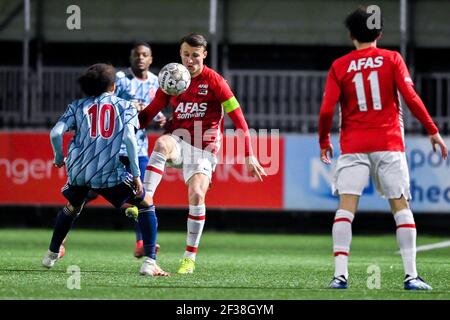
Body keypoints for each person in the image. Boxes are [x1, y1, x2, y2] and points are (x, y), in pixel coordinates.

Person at [318, 7, 448, 290]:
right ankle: (411, 276)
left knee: (345, 209)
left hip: (353, 146)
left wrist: (324, 141)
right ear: (379, 33)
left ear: (351, 34)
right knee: (401, 208)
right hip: (388, 144)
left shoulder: (340, 65)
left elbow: (327, 110)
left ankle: (340, 276)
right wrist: (433, 130)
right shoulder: (392, 59)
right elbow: (411, 97)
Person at [139, 33, 267, 274]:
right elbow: (151, 111)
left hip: (203, 149)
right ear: (180, 54)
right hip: (178, 140)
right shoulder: (172, 78)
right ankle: (145, 198)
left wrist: (250, 154)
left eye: (195, 56)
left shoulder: (216, 81)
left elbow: (238, 119)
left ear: (204, 55)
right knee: (162, 144)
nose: (190, 60)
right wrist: (132, 124)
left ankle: (189, 258)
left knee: (197, 195)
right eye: (186, 54)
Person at [42, 63, 169, 277]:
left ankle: (51, 254)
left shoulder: (76, 106)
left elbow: (56, 133)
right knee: (146, 203)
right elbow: (129, 138)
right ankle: (150, 262)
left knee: (73, 206)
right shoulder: (124, 106)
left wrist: (58, 157)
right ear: (112, 86)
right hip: (109, 171)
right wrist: (136, 175)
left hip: (78, 170)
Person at [115, 42, 166, 258]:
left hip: (140, 149)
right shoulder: (120, 80)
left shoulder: (157, 82)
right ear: (131, 57)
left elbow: (155, 111)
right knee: (84, 194)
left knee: (143, 195)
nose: (140, 58)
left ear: (151, 59)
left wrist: (161, 119)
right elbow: (108, 104)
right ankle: (59, 243)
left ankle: (141, 243)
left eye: (145, 55)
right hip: (114, 149)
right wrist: (129, 108)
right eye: (137, 55)